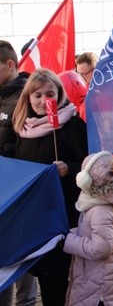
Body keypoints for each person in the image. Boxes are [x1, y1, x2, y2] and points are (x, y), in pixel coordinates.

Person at [12, 68, 88, 306]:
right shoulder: (23, 129)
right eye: (37, 95)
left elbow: (89, 164)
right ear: (28, 98)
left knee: (61, 277)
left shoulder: (72, 124)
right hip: (35, 217)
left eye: (50, 94)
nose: (44, 100)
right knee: (45, 276)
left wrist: (69, 168)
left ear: (60, 95)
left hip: (65, 214)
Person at [63, 151, 113, 306]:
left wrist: (69, 241)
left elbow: (100, 249)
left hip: (101, 289)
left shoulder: (99, 211)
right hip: (105, 280)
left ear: (87, 181)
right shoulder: (105, 203)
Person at [0, 40, 36, 306]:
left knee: (22, 251)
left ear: (10, 65)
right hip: (3, 185)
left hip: (20, 186)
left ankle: (25, 302)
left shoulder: (27, 96)